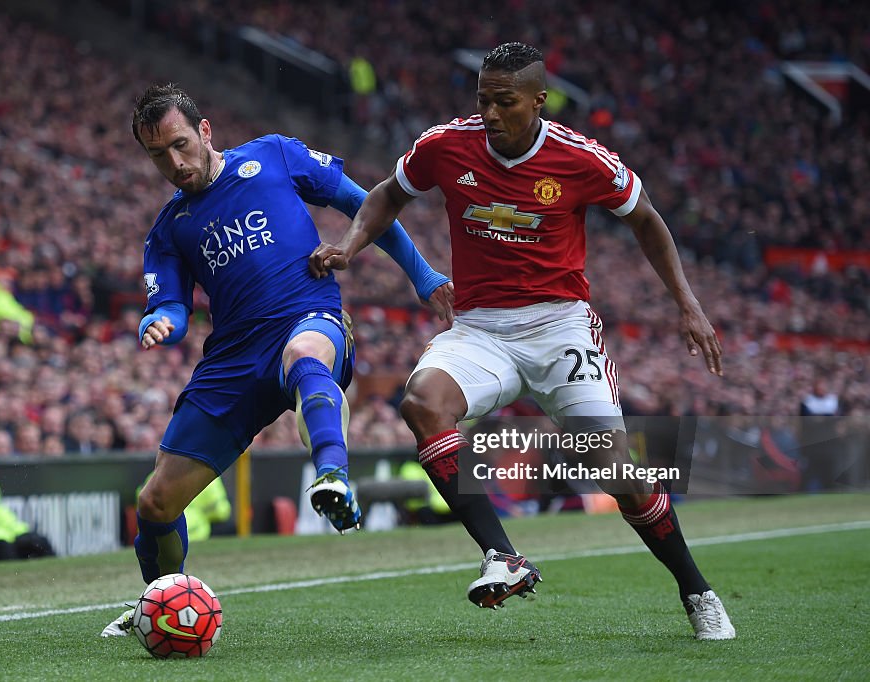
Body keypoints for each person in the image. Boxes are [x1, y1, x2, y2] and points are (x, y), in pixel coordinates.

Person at [310, 43, 734, 640]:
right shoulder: (444, 145)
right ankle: (501, 556)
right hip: (482, 326)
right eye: (482, 98)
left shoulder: (579, 159)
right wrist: (349, 246)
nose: (489, 112)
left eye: (504, 101)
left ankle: (697, 590)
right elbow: (386, 194)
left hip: (559, 325)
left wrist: (688, 305)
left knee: (611, 467)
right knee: (421, 404)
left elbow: (646, 219)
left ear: (539, 100)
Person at [101, 84, 450, 637]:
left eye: (180, 144)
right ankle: (159, 601)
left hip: (308, 317)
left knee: (303, 353)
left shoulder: (274, 156)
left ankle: (332, 474)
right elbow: (169, 303)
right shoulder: (169, 230)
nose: (173, 162)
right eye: (157, 154)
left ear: (205, 130)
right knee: (155, 502)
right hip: (232, 360)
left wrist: (425, 276)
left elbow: (365, 204)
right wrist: (157, 323)